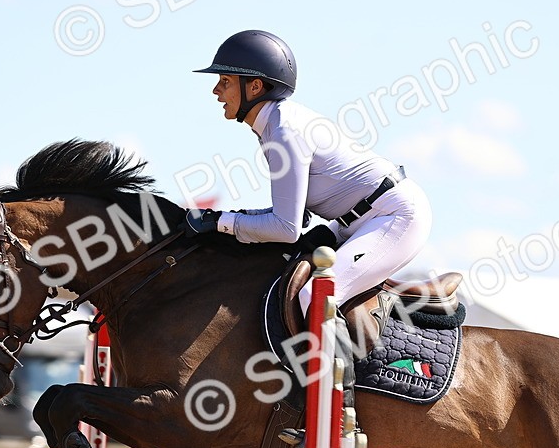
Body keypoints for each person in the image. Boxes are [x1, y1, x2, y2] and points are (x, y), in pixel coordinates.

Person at [185, 30, 432, 314]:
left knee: (313, 298)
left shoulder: (283, 130)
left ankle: (356, 360)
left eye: (225, 81)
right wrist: (220, 219)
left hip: (395, 216)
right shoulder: (272, 126)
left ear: (254, 87)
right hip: (357, 219)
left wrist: (221, 223)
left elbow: (286, 228)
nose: (216, 91)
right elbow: (295, 216)